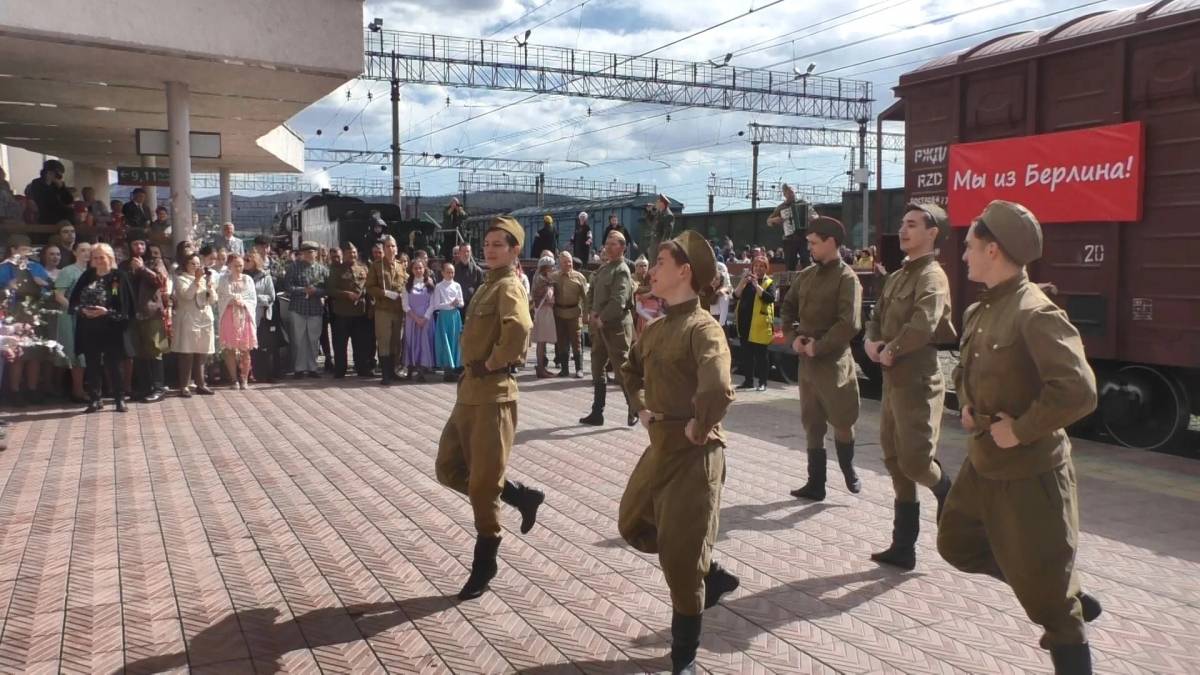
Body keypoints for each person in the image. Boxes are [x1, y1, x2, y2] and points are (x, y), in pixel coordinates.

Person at [938, 200, 1102, 674]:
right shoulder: (981, 309)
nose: (963, 255)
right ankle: (1053, 588)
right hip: (985, 459)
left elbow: (1079, 390)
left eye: (970, 246)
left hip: (1031, 472)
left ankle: (1059, 602)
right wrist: (968, 405)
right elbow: (969, 370)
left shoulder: (1035, 312)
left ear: (993, 249)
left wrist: (1022, 429)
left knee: (1056, 613)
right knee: (955, 543)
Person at [617, 230, 739, 675]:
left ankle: (684, 656)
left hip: (694, 455)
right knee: (632, 523)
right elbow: (630, 369)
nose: (651, 270)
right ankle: (705, 571)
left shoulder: (703, 328)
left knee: (680, 565)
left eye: (660, 263)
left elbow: (718, 385)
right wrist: (640, 406)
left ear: (684, 272)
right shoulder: (658, 328)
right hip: (660, 449)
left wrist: (700, 424)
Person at [434, 216, 544, 600]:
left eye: (499, 244)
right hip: (469, 392)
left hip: (493, 394)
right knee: (448, 468)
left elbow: (519, 330)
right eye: (487, 243)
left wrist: (493, 362)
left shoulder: (509, 286)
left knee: (482, 485)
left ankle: (485, 561)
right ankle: (518, 496)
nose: (490, 249)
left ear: (515, 251)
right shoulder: (487, 284)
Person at [861, 204, 957, 570]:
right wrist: (871, 341)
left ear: (932, 233)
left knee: (916, 460)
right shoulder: (899, 276)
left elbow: (924, 322)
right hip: (892, 378)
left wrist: (893, 348)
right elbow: (876, 315)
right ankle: (904, 547)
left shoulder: (932, 276)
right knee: (893, 458)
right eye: (902, 223)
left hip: (917, 378)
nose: (903, 230)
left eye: (912, 225)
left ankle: (945, 488)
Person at [779, 216, 863, 501]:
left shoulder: (847, 279)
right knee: (812, 423)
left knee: (842, 419)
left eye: (814, 243)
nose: (809, 248)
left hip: (834, 362)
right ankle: (816, 483)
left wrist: (821, 346)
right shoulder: (806, 275)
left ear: (831, 242)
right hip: (808, 362)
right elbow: (787, 307)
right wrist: (793, 337)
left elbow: (849, 323)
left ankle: (848, 467)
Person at [68, 243, 134, 413]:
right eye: (95, 257)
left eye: (101, 257)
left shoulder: (117, 277)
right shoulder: (88, 275)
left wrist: (107, 311)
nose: (98, 261)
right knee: (92, 363)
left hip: (111, 326)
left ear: (109, 258)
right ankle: (95, 399)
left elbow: (120, 300)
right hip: (90, 326)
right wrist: (82, 310)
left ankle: (119, 399)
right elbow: (75, 299)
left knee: (114, 364)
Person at [580, 231, 635, 427]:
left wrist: (602, 317)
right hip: (599, 327)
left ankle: (634, 407)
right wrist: (591, 313)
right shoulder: (604, 269)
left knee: (622, 369)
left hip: (616, 327)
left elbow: (618, 301)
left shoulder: (621, 270)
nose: (608, 247)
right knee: (597, 367)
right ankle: (597, 412)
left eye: (613, 244)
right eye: (607, 244)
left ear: (623, 248)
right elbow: (591, 293)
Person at [1, 235, 54, 405]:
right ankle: (14, 391)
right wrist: (8, 287)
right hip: (14, 312)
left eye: (29, 249)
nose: (28, 252)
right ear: (13, 250)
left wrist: (43, 283)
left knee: (35, 353)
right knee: (18, 353)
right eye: (24, 249)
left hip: (34, 311)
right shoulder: (4, 267)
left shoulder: (35, 266)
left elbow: (50, 287)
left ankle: (32, 389)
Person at [128, 245, 170, 403]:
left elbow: (161, 281)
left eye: (142, 244)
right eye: (135, 244)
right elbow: (116, 286)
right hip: (133, 313)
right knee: (139, 351)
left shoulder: (155, 262)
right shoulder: (126, 264)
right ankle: (144, 388)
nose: (139, 247)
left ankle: (159, 388)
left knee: (155, 349)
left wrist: (142, 269)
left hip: (152, 313)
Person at [326, 242, 373, 378]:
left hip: (360, 312)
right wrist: (346, 294)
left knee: (360, 343)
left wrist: (364, 294)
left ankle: (362, 368)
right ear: (344, 254)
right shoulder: (336, 270)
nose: (352, 255)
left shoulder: (363, 268)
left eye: (354, 252)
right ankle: (340, 369)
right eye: (349, 253)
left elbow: (368, 286)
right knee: (340, 343)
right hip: (342, 313)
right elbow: (331, 290)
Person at [171, 254, 216, 396]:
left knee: (202, 352)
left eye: (198, 264)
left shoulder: (204, 279)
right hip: (189, 318)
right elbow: (187, 295)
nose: (196, 266)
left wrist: (210, 287)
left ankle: (201, 384)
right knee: (187, 352)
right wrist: (196, 280)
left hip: (204, 318)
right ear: (186, 265)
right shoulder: (181, 279)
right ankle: (184, 386)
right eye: (193, 264)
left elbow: (213, 300)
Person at [365, 235, 407, 385]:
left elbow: (406, 283)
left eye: (393, 246)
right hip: (383, 309)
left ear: (397, 249)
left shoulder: (401, 266)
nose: (391, 249)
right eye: (388, 246)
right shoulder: (376, 266)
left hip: (398, 310)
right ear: (384, 249)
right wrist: (384, 293)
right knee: (384, 340)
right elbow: (369, 287)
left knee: (396, 341)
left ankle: (393, 370)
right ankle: (385, 374)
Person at [283, 241, 328, 378]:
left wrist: (316, 291)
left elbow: (327, 288)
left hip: (315, 308)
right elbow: (288, 286)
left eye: (312, 252)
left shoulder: (322, 269)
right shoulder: (293, 267)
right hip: (298, 308)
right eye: (306, 252)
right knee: (298, 339)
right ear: (302, 253)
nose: (309, 254)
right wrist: (303, 290)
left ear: (316, 253)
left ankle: (312, 367)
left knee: (313, 339)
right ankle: (299, 368)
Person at [732, 255, 776, 392]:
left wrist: (757, 285)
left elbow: (770, 298)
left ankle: (763, 382)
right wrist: (742, 282)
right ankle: (748, 381)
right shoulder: (747, 281)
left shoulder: (768, 282)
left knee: (761, 356)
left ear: (766, 268)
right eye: (756, 266)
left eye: (761, 266)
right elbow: (735, 295)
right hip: (744, 323)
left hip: (759, 325)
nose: (758, 268)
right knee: (747, 355)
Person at [54, 241, 92, 402]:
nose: (86, 253)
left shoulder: (93, 271)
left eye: (89, 250)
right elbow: (59, 296)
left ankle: (86, 388)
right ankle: (76, 390)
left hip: (90, 316)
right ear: (75, 253)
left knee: (88, 353)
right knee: (76, 354)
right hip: (72, 316)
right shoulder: (68, 271)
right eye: (82, 250)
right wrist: (76, 309)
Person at [217, 253, 258, 389]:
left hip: (244, 316)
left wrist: (243, 302)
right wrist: (231, 300)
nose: (238, 268)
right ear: (230, 266)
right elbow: (221, 297)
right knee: (230, 349)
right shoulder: (224, 280)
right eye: (236, 266)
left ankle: (244, 379)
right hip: (229, 315)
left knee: (245, 349)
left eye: (241, 265)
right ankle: (234, 379)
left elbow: (252, 298)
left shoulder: (248, 279)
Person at [244, 251, 278, 383]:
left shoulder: (265, 277)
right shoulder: (242, 276)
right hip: (246, 316)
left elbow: (271, 297)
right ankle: (250, 374)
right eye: (245, 259)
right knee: (249, 347)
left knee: (264, 347)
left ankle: (266, 374)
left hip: (262, 316)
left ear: (255, 261)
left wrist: (255, 298)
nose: (245, 262)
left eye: (248, 260)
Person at [552, 251, 588, 378]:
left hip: (574, 313)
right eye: (565, 262)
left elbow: (586, 298)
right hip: (559, 313)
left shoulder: (579, 277)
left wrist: (586, 314)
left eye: (570, 262)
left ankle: (579, 369)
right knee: (561, 341)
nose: (568, 264)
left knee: (576, 340)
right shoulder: (554, 277)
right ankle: (564, 369)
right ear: (559, 263)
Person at [429, 261, 465, 382]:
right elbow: (436, 305)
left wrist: (457, 303)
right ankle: (447, 369)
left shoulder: (457, 285)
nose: (450, 275)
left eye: (452, 272)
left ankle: (454, 368)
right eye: (448, 272)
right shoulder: (439, 287)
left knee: (455, 341)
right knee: (445, 341)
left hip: (455, 316)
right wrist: (450, 304)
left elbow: (462, 302)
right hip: (444, 316)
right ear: (443, 273)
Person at [766, 184, 814, 271]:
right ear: (784, 194)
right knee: (790, 264)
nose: (791, 194)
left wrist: (812, 218)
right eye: (789, 193)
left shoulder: (803, 203)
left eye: (792, 192)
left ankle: (808, 278)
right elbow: (768, 221)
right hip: (789, 240)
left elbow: (815, 215)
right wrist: (774, 220)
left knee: (807, 261)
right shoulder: (781, 207)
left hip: (804, 238)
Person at [403, 258, 436, 381]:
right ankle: (411, 368)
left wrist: (424, 318)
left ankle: (422, 370)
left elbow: (432, 304)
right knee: (411, 342)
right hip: (412, 319)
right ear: (412, 270)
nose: (418, 270)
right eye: (415, 268)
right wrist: (416, 318)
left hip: (426, 320)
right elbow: (405, 305)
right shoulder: (407, 285)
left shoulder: (429, 284)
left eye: (420, 268)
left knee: (424, 343)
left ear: (424, 269)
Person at [529, 256, 558, 379]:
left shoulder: (541, 279)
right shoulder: (542, 280)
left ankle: (541, 367)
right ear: (546, 267)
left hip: (544, 311)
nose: (553, 268)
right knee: (541, 341)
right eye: (551, 266)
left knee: (542, 341)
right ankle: (540, 368)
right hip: (543, 311)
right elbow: (548, 297)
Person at [24, 159, 73, 225]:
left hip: (58, 212)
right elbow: (41, 201)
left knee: (70, 213)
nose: (57, 176)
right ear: (48, 172)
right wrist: (47, 183)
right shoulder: (36, 183)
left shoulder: (57, 184)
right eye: (56, 174)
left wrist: (62, 188)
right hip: (43, 213)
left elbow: (68, 201)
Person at [453, 244, 485, 316]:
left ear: (471, 253)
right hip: (456, 307)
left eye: (468, 251)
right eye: (463, 251)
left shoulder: (478, 271)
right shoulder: (453, 270)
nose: (466, 254)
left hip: (472, 307)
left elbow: (482, 290)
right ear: (459, 253)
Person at [708, 262, 732, 326]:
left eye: (716, 279)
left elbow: (724, 313)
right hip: (713, 321)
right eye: (712, 278)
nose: (713, 281)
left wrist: (719, 326)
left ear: (721, 281)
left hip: (719, 323)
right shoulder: (713, 291)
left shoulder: (722, 294)